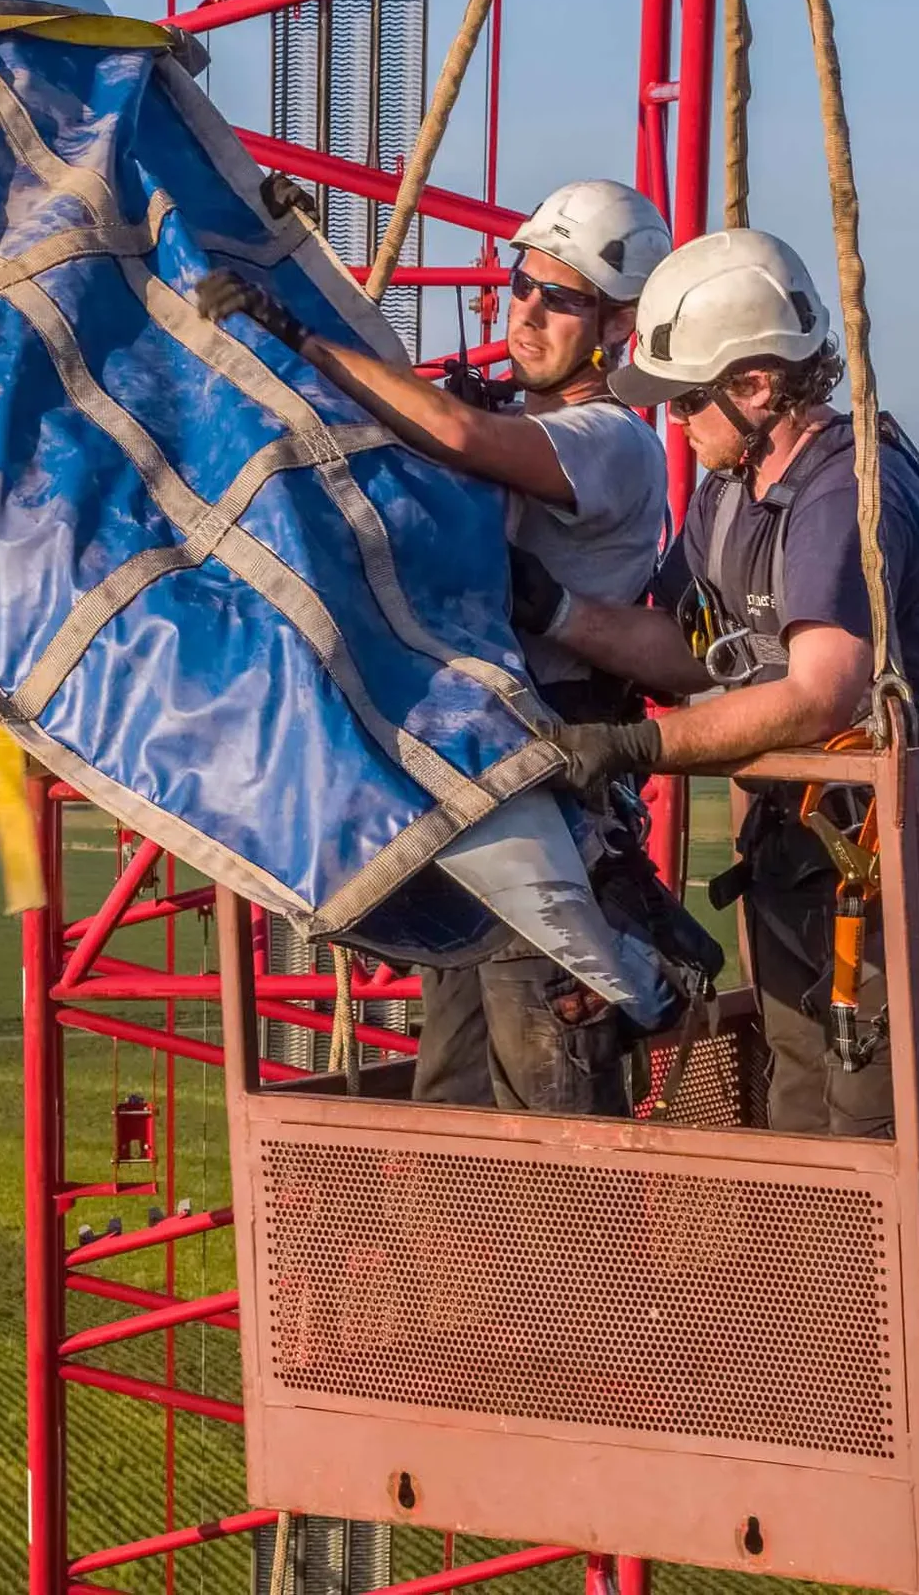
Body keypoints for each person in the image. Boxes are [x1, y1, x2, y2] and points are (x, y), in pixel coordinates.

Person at [196, 179, 676, 1117]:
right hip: (478, 787)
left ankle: (585, 1270)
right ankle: (466, 1265)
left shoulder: (615, 442)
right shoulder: (529, 424)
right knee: (452, 1101)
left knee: (556, 1115)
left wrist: (299, 333)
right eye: (523, 284)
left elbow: (456, 433)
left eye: (562, 298)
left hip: (551, 800)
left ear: (618, 325)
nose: (527, 311)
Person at [508, 228, 919, 1137]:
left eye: (688, 401)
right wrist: (555, 611)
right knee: (799, 1100)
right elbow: (688, 647)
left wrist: (632, 746)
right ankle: (829, 1281)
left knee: (873, 1122)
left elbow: (821, 694)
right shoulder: (731, 488)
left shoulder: (843, 493)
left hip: (899, 860)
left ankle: (901, 1284)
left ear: (758, 386)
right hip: (803, 849)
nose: (677, 426)